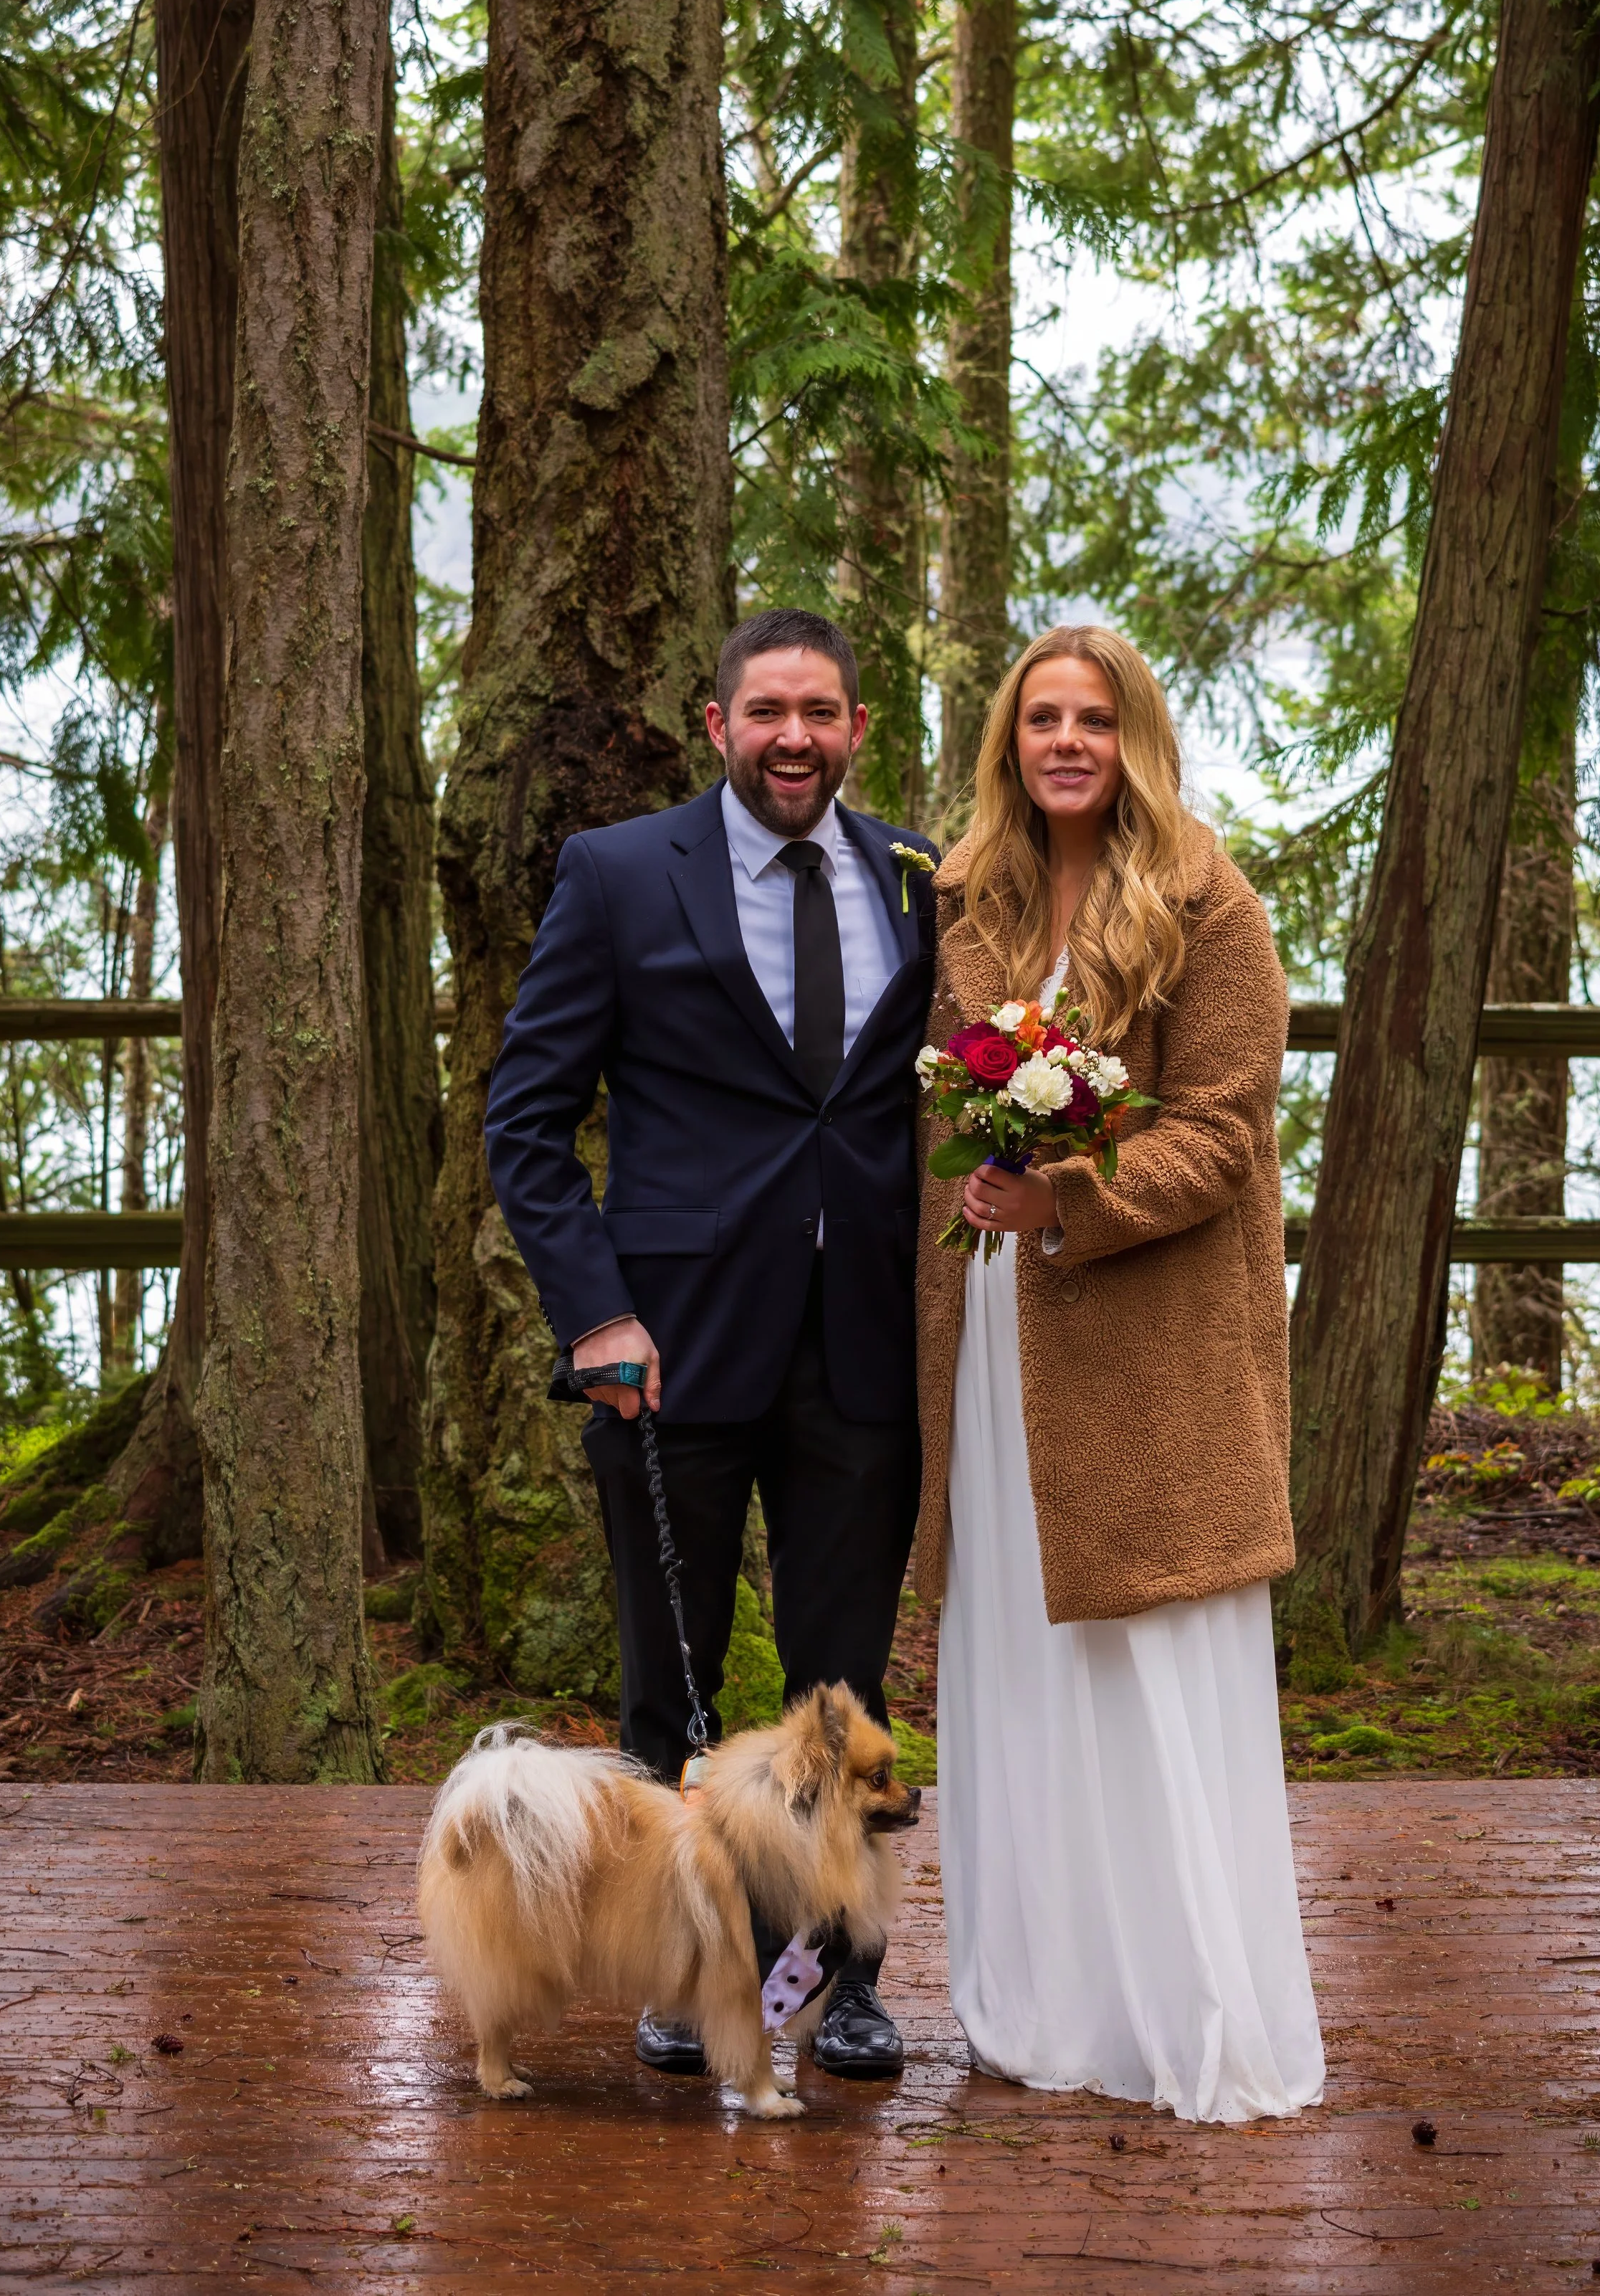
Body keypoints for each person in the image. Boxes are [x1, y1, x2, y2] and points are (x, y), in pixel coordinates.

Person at [484, 607, 935, 2082]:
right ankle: (677, 1976)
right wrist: (594, 1311)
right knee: (661, 1690)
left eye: (819, 711)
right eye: (765, 712)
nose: (792, 736)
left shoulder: (916, 882)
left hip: (863, 1344)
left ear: (856, 728)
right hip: (665, 1349)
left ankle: (844, 1977)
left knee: (844, 1699)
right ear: (715, 723)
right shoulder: (617, 875)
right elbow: (526, 1122)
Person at [913, 623, 1325, 2118]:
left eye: (1093, 717)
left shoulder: (1212, 908)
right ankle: (1044, 2002)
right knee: (1017, 1662)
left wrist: (1068, 1201)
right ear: (1007, 743)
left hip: (1146, 1346)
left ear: (1134, 733)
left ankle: (1185, 2009)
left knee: (1145, 1663)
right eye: (1041, 720)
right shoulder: (963, 896)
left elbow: (1222, 1131)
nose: (1066, 741)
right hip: (993, 1333)